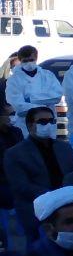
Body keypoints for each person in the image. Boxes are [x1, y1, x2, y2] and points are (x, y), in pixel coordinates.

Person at [4, 106, 73, 239]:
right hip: (36, 209)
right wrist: (54, 196)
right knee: (40, 247)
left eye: (51, 121)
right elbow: (21, 186)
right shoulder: (15, 154)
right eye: (42, 121)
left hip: (68, 206)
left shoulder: (64, 148)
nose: (48, 125)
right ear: (30, 125)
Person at [6, 46, 62, 137]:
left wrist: (30, 99)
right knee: (27, 145)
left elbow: (57, 96)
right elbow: (18, 106)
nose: (29, 63)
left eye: (31, 60)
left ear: (36, 58)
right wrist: (44, 105)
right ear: (20, 60)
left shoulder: (47, 75)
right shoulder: (13, 80)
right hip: (25, 125)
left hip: (48, 124)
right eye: (25, 61)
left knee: (48, 145)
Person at [0, 103, 24, 248]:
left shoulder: (16, 132)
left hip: (17, 177)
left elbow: (23, 154)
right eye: (9, 115)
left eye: (13, 114)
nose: (12, 118)